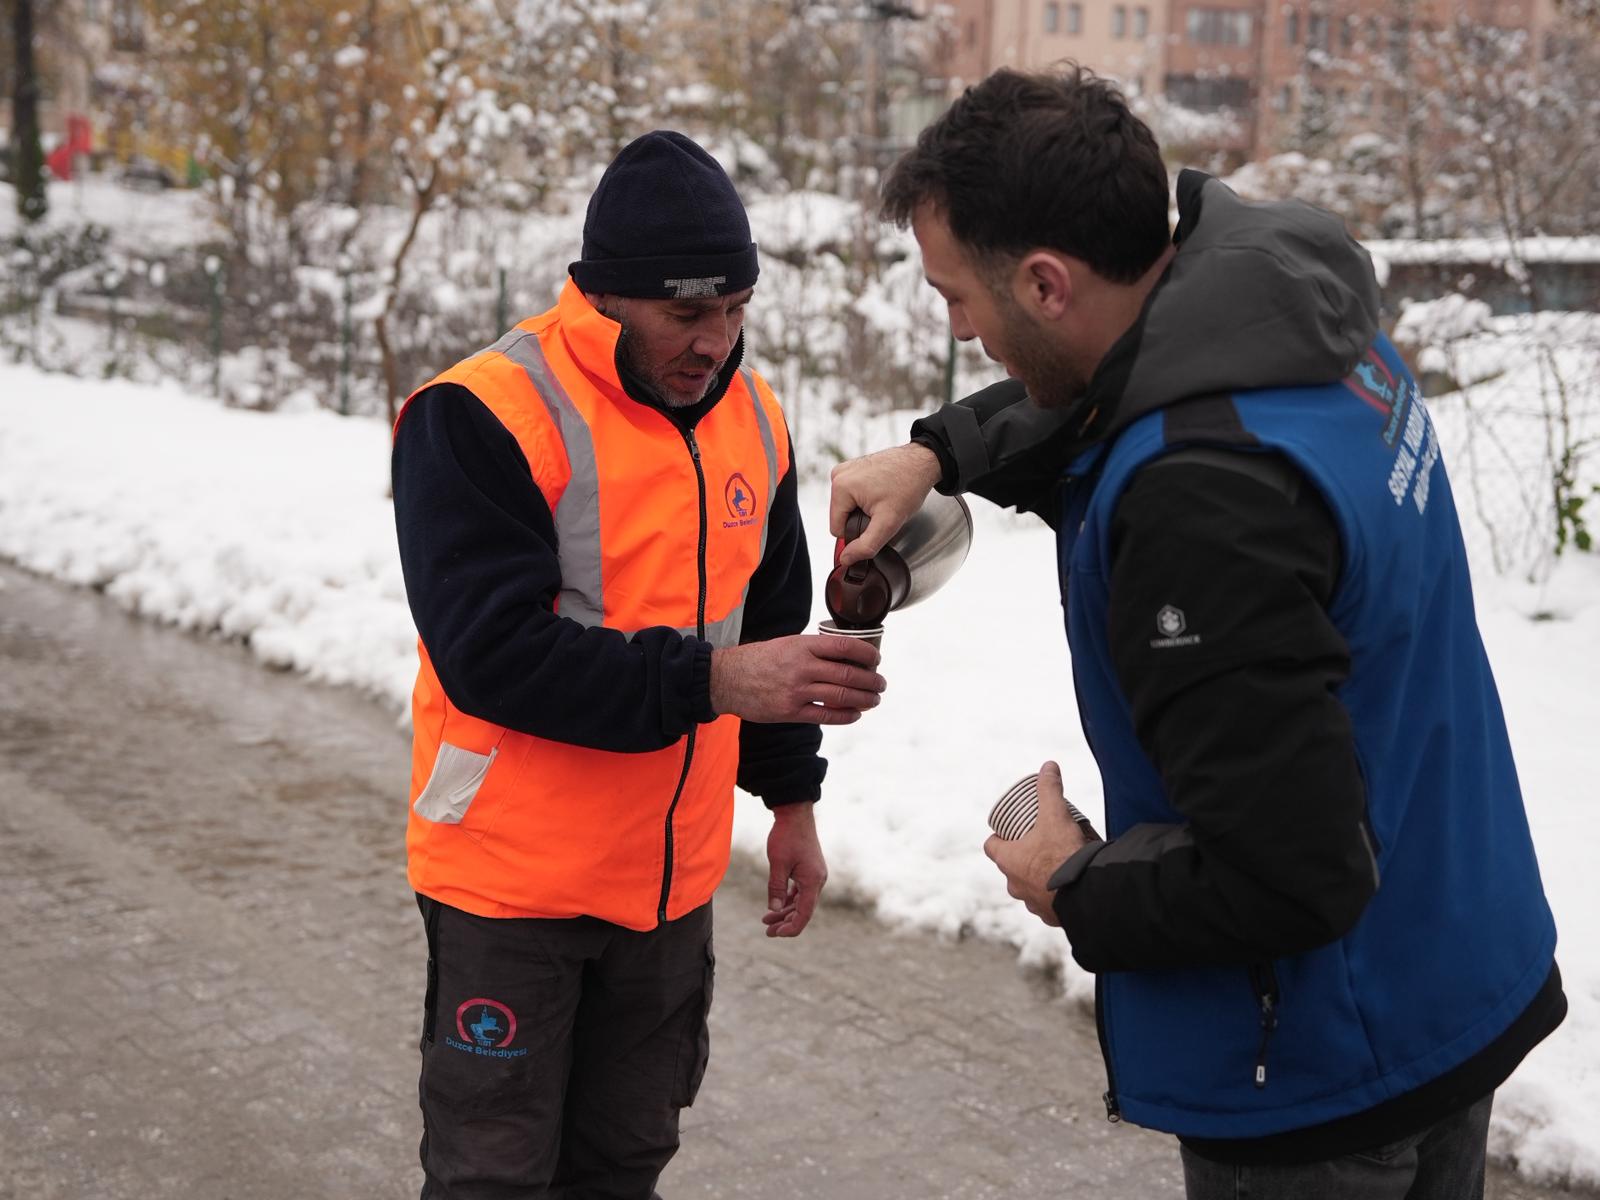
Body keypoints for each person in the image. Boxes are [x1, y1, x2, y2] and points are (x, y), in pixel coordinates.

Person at [830, 66, 1565, 1197]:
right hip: (1453, 966)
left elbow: (1290, 878)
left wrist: (1069, 880)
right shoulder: (1294, 311)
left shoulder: (1196, 501)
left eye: (954, 296)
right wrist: (941, 452)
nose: (958, 328)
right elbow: (1116, 384)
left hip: (1325, 1070)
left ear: (1043, 281)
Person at [391, 129, 886, 1199]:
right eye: (688, 313)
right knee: (494, 1174)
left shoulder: (754, 417)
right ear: (606, 296)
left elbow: (771, 624)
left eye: (736, 310)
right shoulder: (479, 415)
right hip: (511, 888)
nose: (717, 341)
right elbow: (493, 655)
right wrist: (716, 684)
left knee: (624, 1163)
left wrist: (790, 798)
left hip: (668, 888)